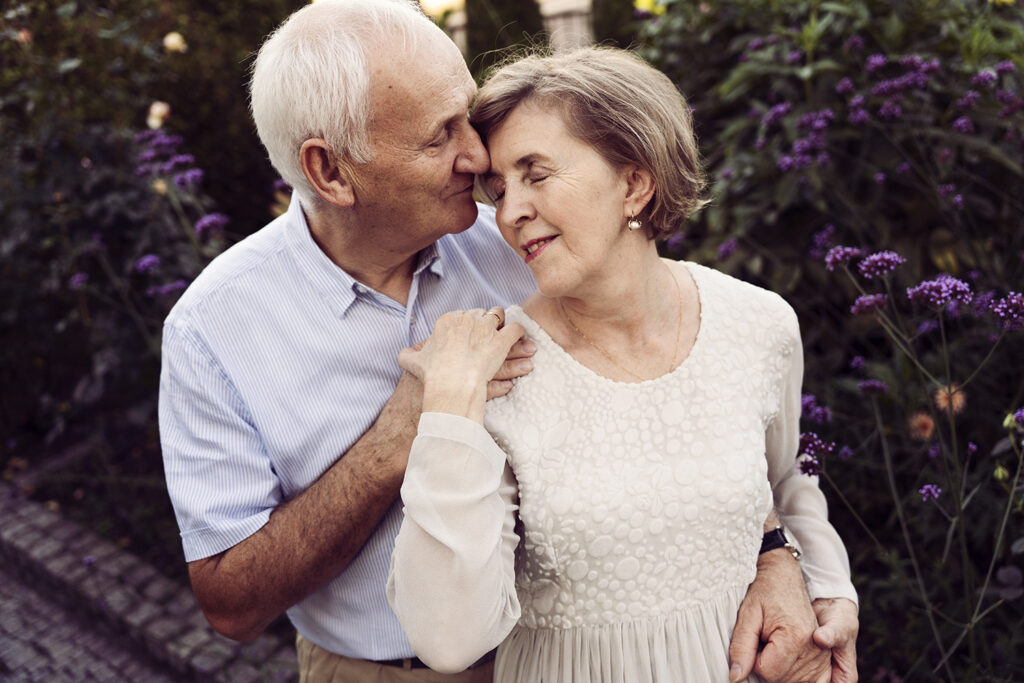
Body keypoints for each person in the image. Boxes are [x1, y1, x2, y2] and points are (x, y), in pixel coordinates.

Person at [158, 0, 854, 680]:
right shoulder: (216, 328)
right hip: (378, 667)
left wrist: (778, 556)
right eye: (440, 136)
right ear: (331, 171)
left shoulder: (530, 248)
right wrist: (404, 430)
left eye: (471, 120)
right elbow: (231, 601)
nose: (477, 158)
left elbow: (726, 433)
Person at [386, 46, 859, 683]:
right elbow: (448, 640)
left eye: (537, 173)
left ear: (634, 182)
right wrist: (448, 408)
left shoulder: (759, 323)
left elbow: (787, 484)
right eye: (498, 189)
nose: (509, 212)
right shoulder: (495, 369)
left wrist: (826, 591)